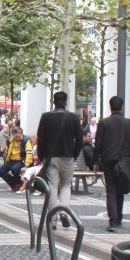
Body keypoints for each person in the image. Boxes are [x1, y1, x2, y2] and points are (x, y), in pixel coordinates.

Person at [35, 91, 83, 227]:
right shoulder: (73, 117)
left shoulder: (45, 117)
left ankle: (52, 219)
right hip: (67, 156)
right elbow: (79, 139)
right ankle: (64, 212)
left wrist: (42, 156)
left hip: (51, 157)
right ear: (66, 102)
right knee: (66, 185)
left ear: (53, 101)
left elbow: (41, 139)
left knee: (52, 186)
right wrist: (74, 154)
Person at [93, 95, 130, 232]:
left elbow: (98, 144)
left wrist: (95, 161)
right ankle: (119, 218)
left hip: (108, 160)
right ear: (122, 107)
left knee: (111, 189)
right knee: (121, 189)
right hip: (124, 160)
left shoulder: (104, 123)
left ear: (110, 107)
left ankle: (112, 219)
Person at [0, 124, 33, 192]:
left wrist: (27, 165)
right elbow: (7, 152)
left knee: (14, 169)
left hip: (21, 161)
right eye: (15, 133)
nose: (17, 135)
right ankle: (16, 183)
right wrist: (5, 162)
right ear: (13, 134)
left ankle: (17, 183)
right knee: (0, 171)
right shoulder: (9, 140)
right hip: (11, 161)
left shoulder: (26, 140)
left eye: (18, 133)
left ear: (21, 134)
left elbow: (29, 153)